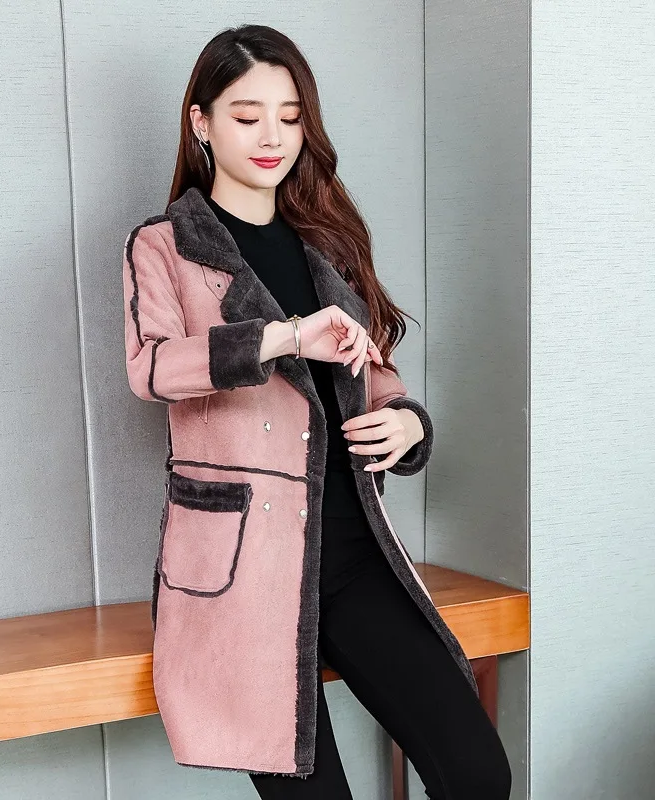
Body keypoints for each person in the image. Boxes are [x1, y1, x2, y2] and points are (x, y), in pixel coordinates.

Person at [124, 23, 512, 799]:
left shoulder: (327, 240)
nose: (272, 136)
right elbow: (152, 367)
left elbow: (375, 369)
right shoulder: (165, 245)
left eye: (290, 115)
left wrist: (406, 422)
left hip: (354, 554)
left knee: (476, 774)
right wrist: (284, 336)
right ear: (202, 122)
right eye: (247, 116)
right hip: (244, 572)